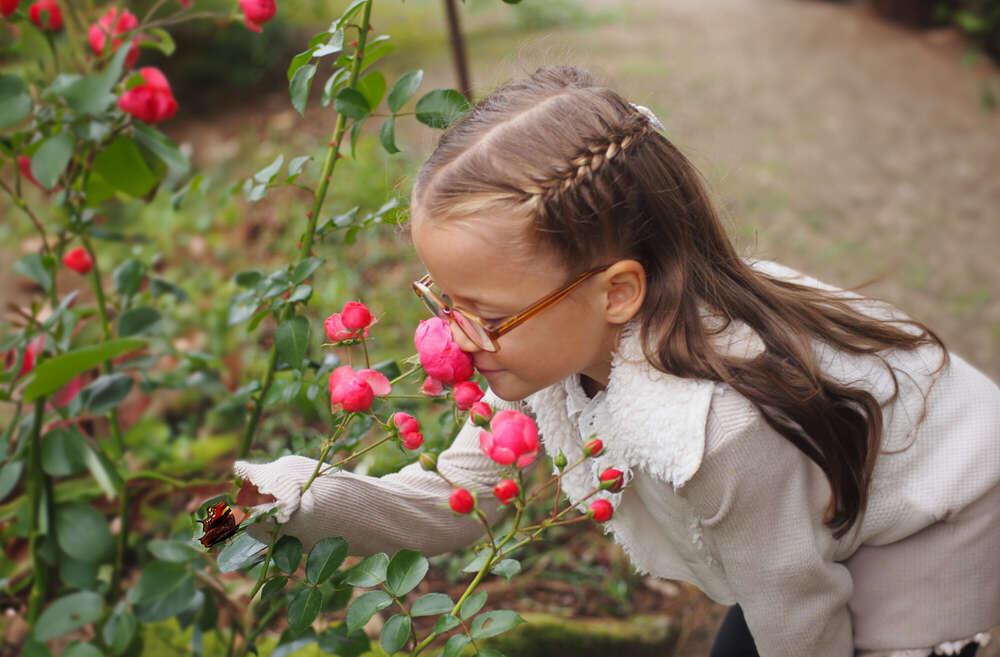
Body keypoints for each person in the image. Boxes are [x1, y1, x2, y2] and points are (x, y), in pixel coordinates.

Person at [234, 65, 1000, 657]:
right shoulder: (536, 346)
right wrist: (260, 508)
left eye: (487, 316)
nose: (459, 339)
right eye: (446, 301)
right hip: (819, 521)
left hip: (943, 517)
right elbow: (454, 499)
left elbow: (796, 608)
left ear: (616, 293)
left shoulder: (719, 428)